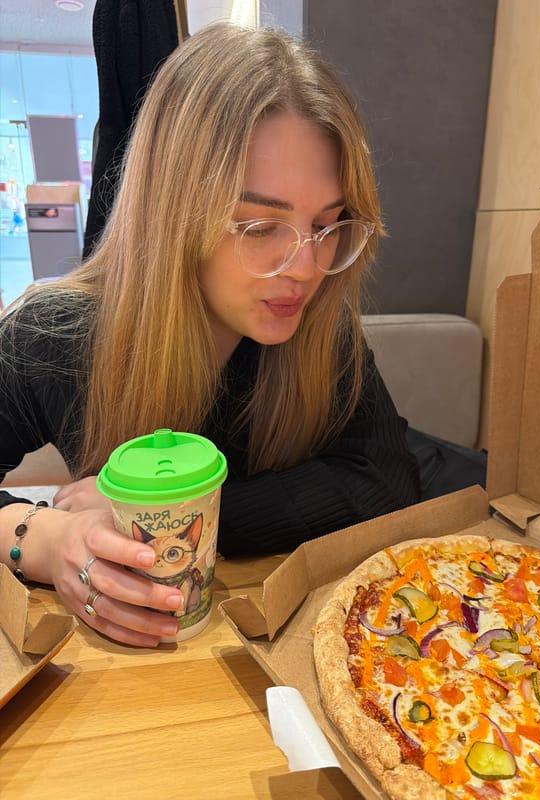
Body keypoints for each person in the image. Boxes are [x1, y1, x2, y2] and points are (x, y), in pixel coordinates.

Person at [0, 23, 420, 648]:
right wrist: (45, 541)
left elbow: (387, 479)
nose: (306, 268)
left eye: (328, 225)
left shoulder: (320, 324)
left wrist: (192, 523)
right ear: (173, 214)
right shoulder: (53, 334)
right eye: (258, 227)